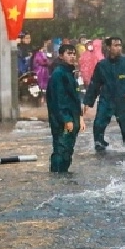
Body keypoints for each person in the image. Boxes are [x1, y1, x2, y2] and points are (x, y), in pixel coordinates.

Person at [83, 36, 125, 153]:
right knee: (98, 123)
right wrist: (88, 101)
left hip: (123, 100)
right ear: (108, 47)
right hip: (107, 99)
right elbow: (95, 84)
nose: (118, 48)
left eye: (120, 45)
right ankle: (99, 144)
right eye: (115, 45)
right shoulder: (102, 65)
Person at [46, 43, 85, 172]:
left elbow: (74, 98)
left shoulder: (69, 73)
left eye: (74, 54)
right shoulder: (59, 74)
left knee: (68, 149)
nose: (72, 56)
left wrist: (80, 117)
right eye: (69, 54)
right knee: (61, 149)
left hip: (71, 118)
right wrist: (66, 119)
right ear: (61, 56)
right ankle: (57, 176)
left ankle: (63, 175)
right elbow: (60, 99)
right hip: (61, 120)